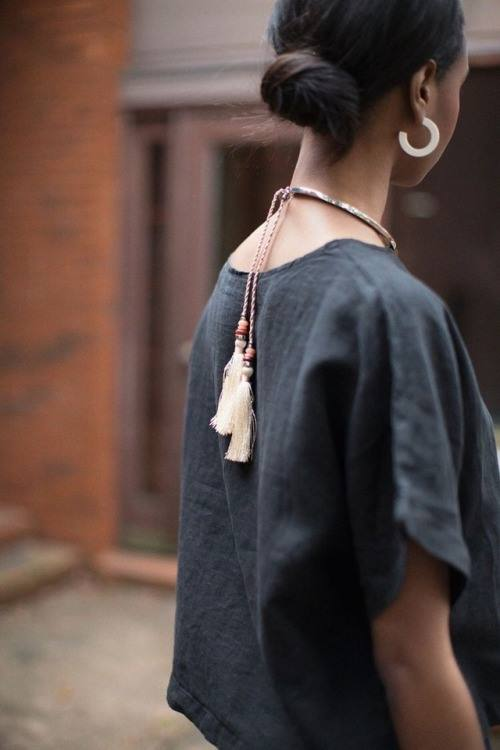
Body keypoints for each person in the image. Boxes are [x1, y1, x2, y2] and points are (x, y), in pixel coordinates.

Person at [166, 1, 500, 748]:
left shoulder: (244, 269)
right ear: (423, 89)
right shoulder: (385, 311)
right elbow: (413, 659)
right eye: (458, 83)